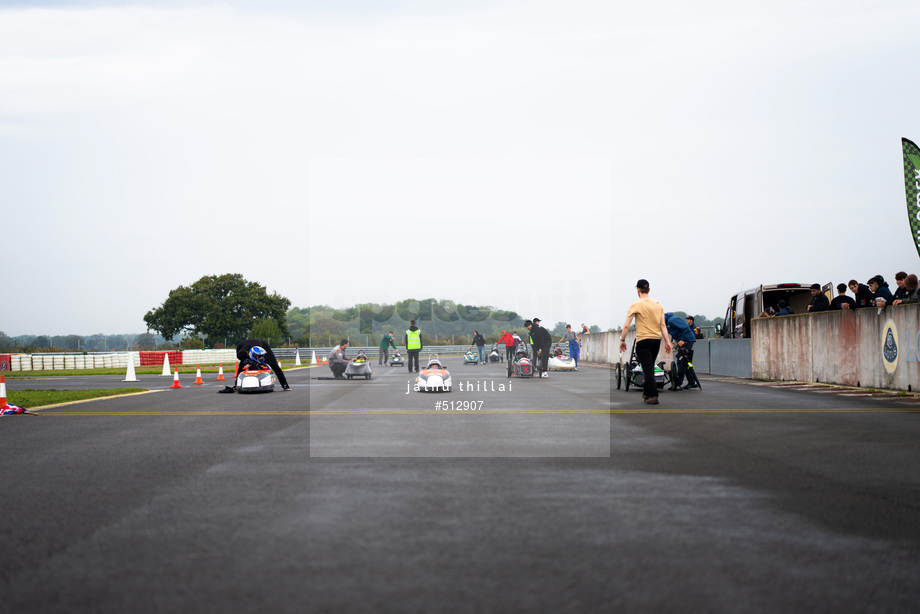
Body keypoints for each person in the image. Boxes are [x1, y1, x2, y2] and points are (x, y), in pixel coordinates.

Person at [619, 279, 672, 405]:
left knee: (647, 369)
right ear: (648, 289)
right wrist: (668, 342)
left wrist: (622, 340)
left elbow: (626, 326)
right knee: (650, 367)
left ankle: (653, 395)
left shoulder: (636, 305)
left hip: (643, 340)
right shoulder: (658, 304)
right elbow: (663, 325)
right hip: (656, 340)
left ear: (638, 290)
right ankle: (647, 393)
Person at [221, 338, 290, 392]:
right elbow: (241, 362)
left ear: (248, 353)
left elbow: (261, 360)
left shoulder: (257, 350)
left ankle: (285, 385)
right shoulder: (239, 347)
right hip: (248, 350)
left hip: (262, 348)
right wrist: (245, 364)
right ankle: (237, 385)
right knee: (242, 365)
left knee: (274, 365)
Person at [665, 313, 698, 389]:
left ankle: (679, 384)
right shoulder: (668, 322)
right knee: (685, 362)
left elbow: (685, 328)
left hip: (687, 340)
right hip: (682, 340)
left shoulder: (672, 320)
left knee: (681, 362)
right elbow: (674, 332)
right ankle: (692, 382)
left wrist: (683, 339)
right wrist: (672, 340)